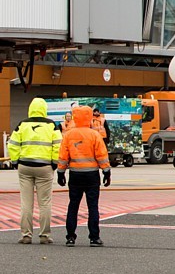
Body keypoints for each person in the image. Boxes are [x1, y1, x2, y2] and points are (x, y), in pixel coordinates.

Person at [7, 98, 62, 244]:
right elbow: (58, 146)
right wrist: (54, 163)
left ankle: (26, 235)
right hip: (44, 167)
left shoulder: (22, 124)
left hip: (25, 166)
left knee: (26, 203)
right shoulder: (51, 125)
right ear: (44, 109)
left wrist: (15, 161)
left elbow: (12, 144)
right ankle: (44, 235)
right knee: (44, 203)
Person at [57, 105, 111, 247]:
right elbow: (102, 155)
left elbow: (63, 155)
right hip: (92, 175)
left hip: (75, 175)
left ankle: (70, 237)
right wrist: (106, 171)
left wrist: (60, 172)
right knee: (92, 206)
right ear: (89, 117)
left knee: (73, 206)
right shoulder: (94, 135)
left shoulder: (69, 134)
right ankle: (94, 237)